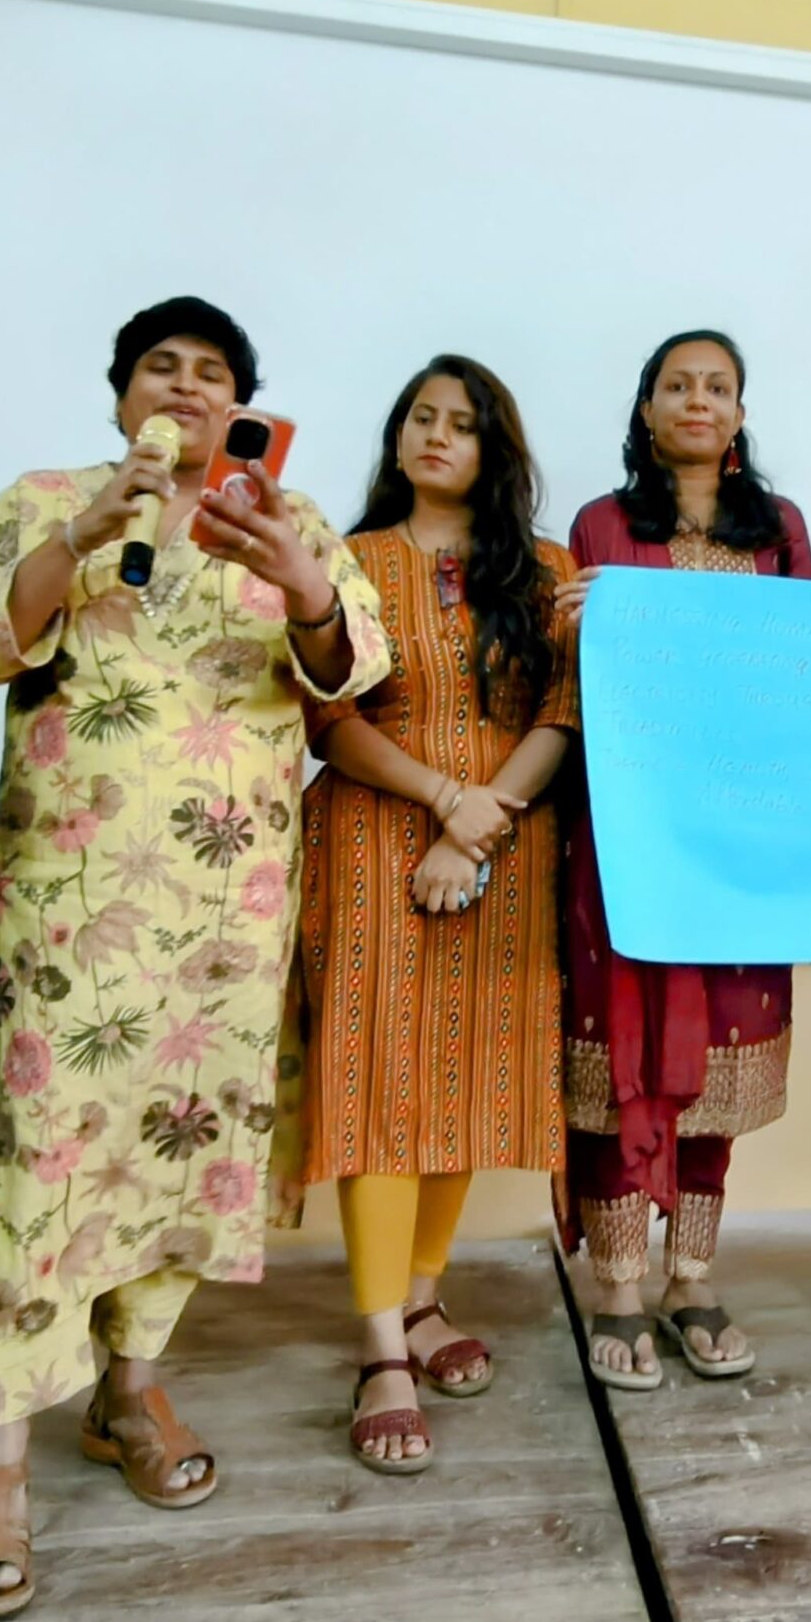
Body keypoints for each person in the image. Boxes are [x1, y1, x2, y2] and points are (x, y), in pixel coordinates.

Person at [0, 297, 389, 1618]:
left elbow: (353, 673)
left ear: (241, 404)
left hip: (225, 919)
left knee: (180, 1145)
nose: (186, 388)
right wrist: (81, 537)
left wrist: (302, 581)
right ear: (122, 392)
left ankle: (127, 1392)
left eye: (212, 373)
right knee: (33, 1155)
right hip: (64, 908)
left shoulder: (288, 522)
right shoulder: (46, 500)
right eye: (161, 368)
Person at [298, 355, 579, 1472]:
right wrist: (443, 803)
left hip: (507, 839)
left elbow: (562, 710)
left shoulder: (546, 570)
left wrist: (479, 824)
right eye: (421, 417)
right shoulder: (348, 560)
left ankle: (421, 1298)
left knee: (464, 1073)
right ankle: (379, 1346)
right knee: (380, 1077)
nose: (436, 435)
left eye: (461, 424)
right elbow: (329, 719)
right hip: (376, 830)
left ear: (492, 449)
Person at [552, 330, 811, 1389]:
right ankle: (618, 1287)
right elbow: (590, 682)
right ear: (647, 409)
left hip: (741, 841)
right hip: (628, 835)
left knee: (723, 1058)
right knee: (622, 1048)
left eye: (717, 387)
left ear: (740, 414)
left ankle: (692, 1278)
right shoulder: (602, 525)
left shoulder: (779, 530)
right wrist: (578, 625)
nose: (697, 400)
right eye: (677, 385)